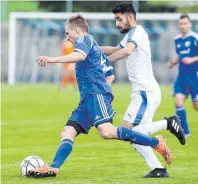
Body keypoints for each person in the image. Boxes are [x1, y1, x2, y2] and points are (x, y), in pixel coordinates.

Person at [28, 14, 173, 178]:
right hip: (88, 98)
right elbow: (110, 75)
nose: (68, 39)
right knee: (67, 132)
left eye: (68, 34)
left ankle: (156, 142)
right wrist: (102, 87)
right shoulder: (94, 49)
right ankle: (53, 168)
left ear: (77, 30)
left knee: (107, 131)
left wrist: (51, 59)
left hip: (95, 95)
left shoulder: (84, 39)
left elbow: (79, 56)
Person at [101, 3, 185, 178]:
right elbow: (117, 50)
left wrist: (104, 63)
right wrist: (91, 49)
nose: (117, 23)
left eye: (119, 19)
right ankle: (158, 169)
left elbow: (126, 51)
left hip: (144, 93)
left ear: (130, 17)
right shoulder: (131, 35)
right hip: (144, 92)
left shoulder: (138, 32)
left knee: (126, 132)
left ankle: (168, 124)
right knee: (134, 136)